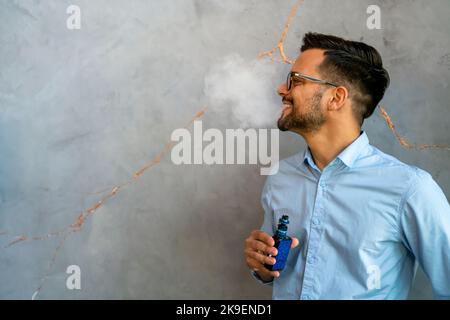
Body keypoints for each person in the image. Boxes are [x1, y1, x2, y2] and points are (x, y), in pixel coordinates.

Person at [244, 32, 450, 299]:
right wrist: (263, 267)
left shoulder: (410, 189)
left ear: (336, 98)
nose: (281, 90)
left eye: (295, 81)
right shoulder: (280, 177)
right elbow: (277, 268)